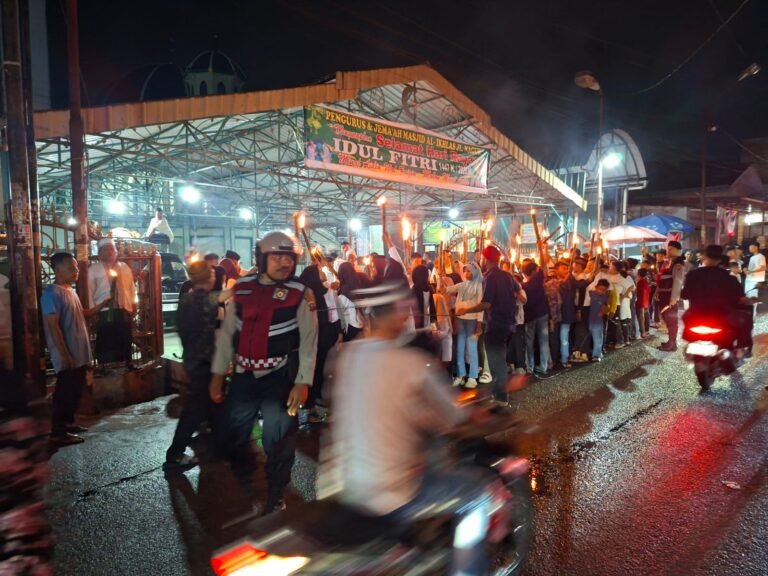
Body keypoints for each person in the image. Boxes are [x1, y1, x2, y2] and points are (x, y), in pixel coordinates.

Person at [323, 280, 494, 575]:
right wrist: (480, 416)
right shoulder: (411, 363)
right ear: (398, 316)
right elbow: (454, 417)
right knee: (477, 495)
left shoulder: (343, 357)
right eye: (405, 313)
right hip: (390, 493)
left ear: (366, 316)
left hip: (345, 487)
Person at [210, 231, 317, 513]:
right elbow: (227, 333)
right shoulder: (241, 289)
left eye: (289, 258)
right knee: (234, 437)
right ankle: (246, 487)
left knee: (279, 440)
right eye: (277, 256)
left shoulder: (300, 294)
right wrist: (219, 374)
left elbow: (309, 340)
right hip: (244, 376)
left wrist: (303, 381)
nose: (285, 263)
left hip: (279, 377)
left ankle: (275, 493)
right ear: (261, 258)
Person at [42, 252, 110, 445]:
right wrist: (64, 354)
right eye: (71, 267)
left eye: (77, 267)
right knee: (64, 393)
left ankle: (68, 424)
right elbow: (52, 326)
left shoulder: (70, 291)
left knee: (74, 392)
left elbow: (82, 314)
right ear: (57, 269)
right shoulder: (51, 294)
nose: (77, 271)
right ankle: (58, 433)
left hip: (78, 353)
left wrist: (102, 305)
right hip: (67, 355)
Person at [163, 260, 220, 471]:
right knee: (194, 410)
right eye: (213, 273)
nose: (215, 276)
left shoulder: (186, 299)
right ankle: (175, 454)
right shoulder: (205, 300)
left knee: (210, 404)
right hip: (203, 362)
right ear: (208, 277)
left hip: (192, 360)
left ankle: (215, 445)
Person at [456, 245, 525, 403]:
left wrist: (465, 310)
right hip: (508, 323)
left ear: (485, 259)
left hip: (496, 324)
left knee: (496, 360)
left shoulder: (490, 277)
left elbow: (486, 304)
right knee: (499, 357)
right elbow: (519, 291)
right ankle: (496, 393)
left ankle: (501, 397)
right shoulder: (508, 276)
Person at [681, 244, 753, 353]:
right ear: (719, 259)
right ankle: (741, 349)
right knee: (746, 319)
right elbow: (740, 298)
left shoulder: (693, 275)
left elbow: (684, 295)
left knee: (685, 317)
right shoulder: (729, 278)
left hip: (696, 315)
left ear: (704, 256)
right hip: (722, 317)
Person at [299, 264, 339, 419]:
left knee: (313, 369)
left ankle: (311, 401)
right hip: (320, 336)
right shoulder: (316, 293)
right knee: (317, 369)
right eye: (319, 274)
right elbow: (330, 315)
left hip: (313, 337)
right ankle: (312, 401)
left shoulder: (304, 292)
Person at [89, 238, 136, 365]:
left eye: (112, 248)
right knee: (107, 345)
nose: (110, 251)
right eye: (106, 249)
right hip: (104, 313)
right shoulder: (94, 269)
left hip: (124, 310)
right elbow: (89, 293)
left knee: (124, 343)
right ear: (99, 254)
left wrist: (133, 306)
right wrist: (94, 313)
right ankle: (106, 368)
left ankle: (125, 368)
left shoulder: (124, 267)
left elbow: (131, 289)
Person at [443, 262, 484, 388]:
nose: (467, 273)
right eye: (465, 271)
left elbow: (480, 306)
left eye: (470, 271)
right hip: (460, 320)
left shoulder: (478, 287)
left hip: (472, 320)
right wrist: (442, 282)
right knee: (460, 347)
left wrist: (479, 323)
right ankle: (461, 375)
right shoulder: (462, 285)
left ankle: (472, 376)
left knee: (471, 348)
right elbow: (449, 289)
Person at [521, 261, 549, 376]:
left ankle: (530, 367)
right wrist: (541, 248)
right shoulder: (537, 280)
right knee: (543, 341)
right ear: (533, 272)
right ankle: (543, 366)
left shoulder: (523, 286)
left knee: (529, 342)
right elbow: (543, 265)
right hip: (542, 314)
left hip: (530, 317)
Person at [657, 256, 685, 352]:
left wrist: (674, 298)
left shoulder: (678, 265)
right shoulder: (669, 263)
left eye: (670, 248)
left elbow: (678, 282)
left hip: (669, 297)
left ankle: (672, 343)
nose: (668, 251)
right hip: (664, 296)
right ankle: (670, 341)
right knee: (668, 319)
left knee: (671, 320)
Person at [337, 262, 364, 341]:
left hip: (350, 329)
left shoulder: (342, 296)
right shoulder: (358, 288)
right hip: (360, 326)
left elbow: (340, 317)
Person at [588, 279, 610, 362]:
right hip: (590, 320)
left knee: (597, 338)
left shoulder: (605, 297)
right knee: (594, 337)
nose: (601, 291)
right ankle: (598, 352)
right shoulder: (591, 293)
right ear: (596, 287)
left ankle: (596, 355)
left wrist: (602, 311)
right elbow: (589, 288)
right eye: (599, 288)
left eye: (603, 290)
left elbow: (605, 306)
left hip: (598, 321)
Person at [636, 268, 651, 338]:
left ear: (638, 274)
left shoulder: (640, 282)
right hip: (646, 302)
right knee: (646, 317)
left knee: (641, 318)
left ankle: (643, 333)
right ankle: (646, 331)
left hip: (641, 302)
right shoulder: (646, 281)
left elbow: (639, 293)